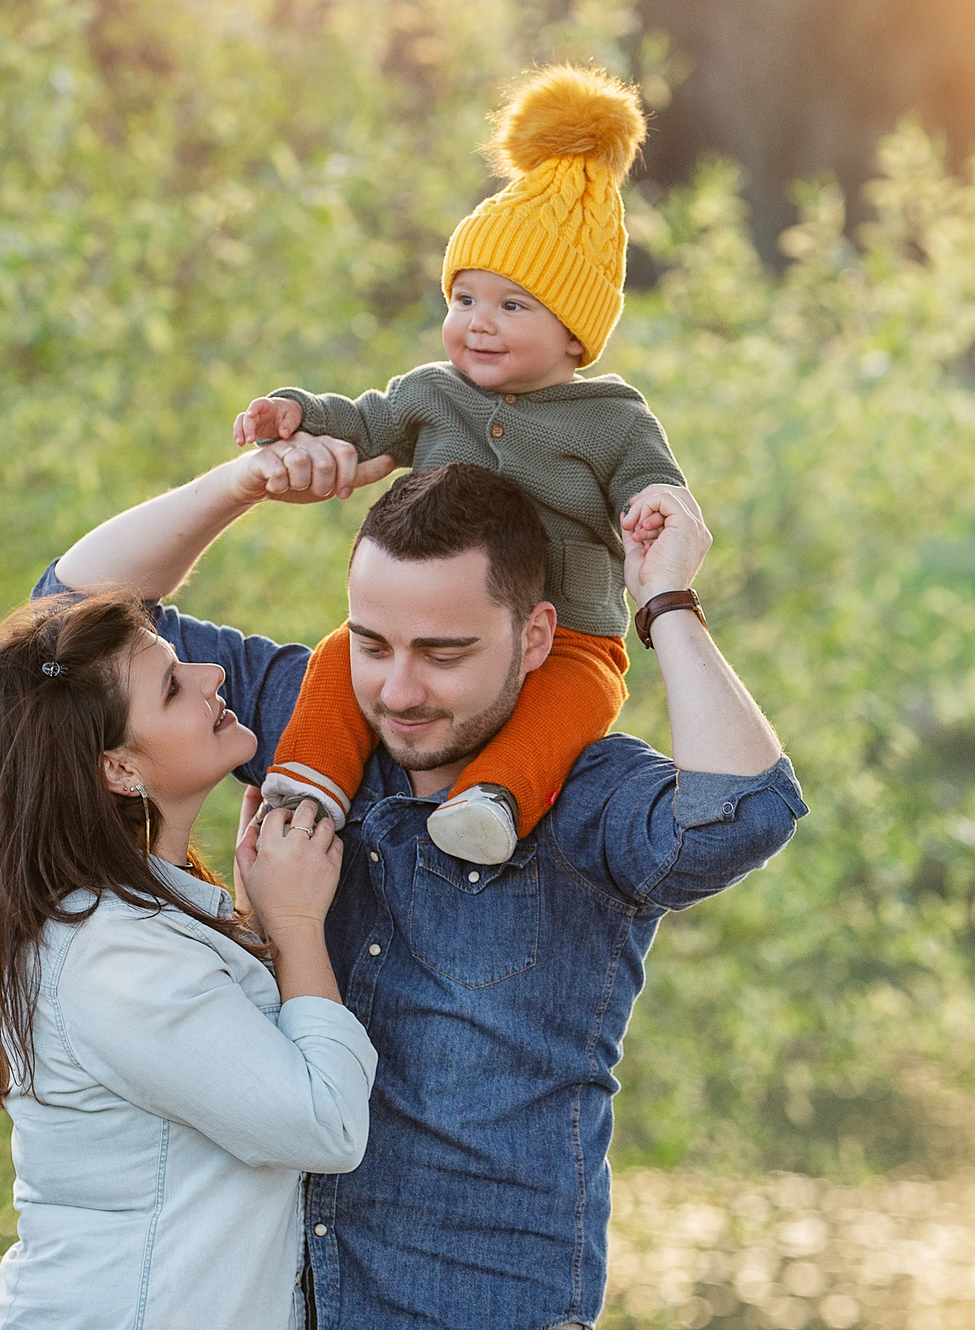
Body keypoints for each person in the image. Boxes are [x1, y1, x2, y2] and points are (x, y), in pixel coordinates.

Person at [44, 434, 803, 1330]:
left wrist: (668, 600)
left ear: (536, 636)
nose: (398, 690)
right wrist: (245, 481)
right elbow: (68, 623)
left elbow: (743, 812)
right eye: (375, 643)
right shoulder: (306, 719)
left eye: (444, 652)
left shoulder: (593, 798)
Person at [0, 591, 379, 1330]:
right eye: (174, 685)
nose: (213, 676)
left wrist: (262, 927)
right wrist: (299, 928)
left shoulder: (145, 926)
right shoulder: (117, 959)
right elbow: (323, 1123)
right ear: (119, 768)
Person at [233, 63, 684, 868]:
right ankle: (305, 781)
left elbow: (651, 483)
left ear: (575, 335)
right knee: (343, 657)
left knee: (572, 704)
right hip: (430, 617)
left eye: (513, 307)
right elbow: (365, 423)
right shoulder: (432, 394)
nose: (478, 324)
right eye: (464, 299)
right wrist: (298, 413)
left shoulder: (610, 417)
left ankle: (493, 800)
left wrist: (653, 507)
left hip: (571, 629)